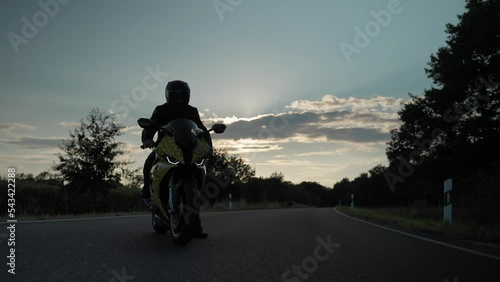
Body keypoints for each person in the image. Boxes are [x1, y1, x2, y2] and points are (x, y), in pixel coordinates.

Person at [141, 80, 210, 238]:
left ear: (187, 96)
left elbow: (200, 128)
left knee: (199, 171)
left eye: (182, 94)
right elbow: (151, 126)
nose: (179, 97)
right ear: (168, 95)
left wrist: (207, 143)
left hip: (188, 148)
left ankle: (195, 225)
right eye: (175, 94)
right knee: (149, 161)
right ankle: (146, 189)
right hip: (166, 147)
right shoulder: (161, 110)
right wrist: (147, 139)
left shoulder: (192, 111)